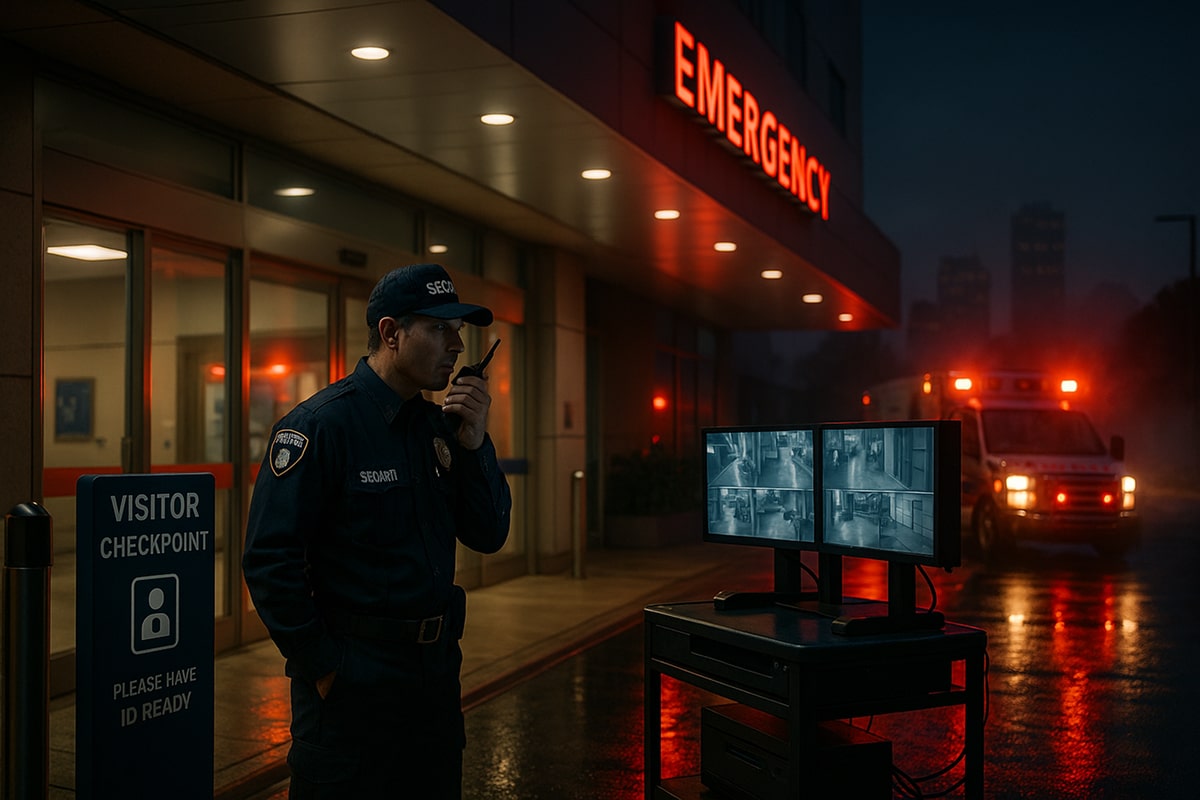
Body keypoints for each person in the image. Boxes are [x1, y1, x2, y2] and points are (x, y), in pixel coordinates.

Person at [243, 262, 512, 798]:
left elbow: (488, 533)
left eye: (458, 331)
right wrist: (323, 666)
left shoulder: (437, 429)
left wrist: (475, 444)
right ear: (391, 333)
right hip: (352, 687)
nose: (457, 344)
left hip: (432, 681)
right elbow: (270, 561)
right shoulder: (319, 428)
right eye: (440, 328)